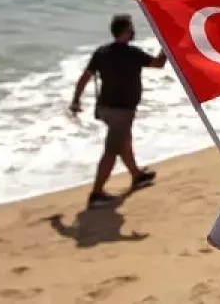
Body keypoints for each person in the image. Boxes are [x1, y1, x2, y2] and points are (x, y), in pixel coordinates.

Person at [69, 13, 167, 208]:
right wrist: (166, 45)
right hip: (121, 111)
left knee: (124, 141)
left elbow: (85, 77)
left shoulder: (101, 52)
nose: (133, 31)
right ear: (125, 31)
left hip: (105, 108)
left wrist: (76, 101)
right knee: (111, 151)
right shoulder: (133, 54)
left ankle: (137, 176)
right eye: (131, 27)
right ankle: (96, 193)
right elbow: (159, 64)